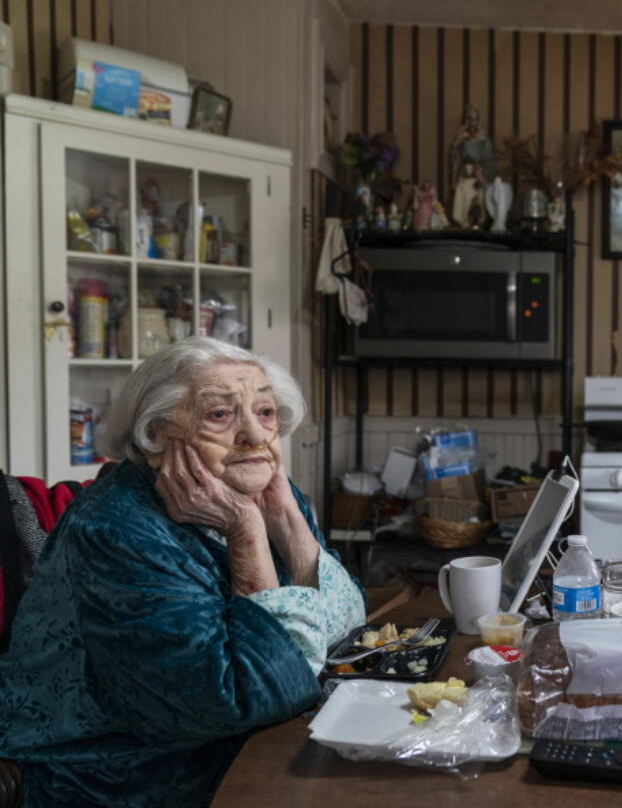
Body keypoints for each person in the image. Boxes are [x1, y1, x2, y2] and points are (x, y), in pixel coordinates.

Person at [0, 338, 366, 808]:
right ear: (155, 435)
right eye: (220, 415)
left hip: (242, 747)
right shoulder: (116, 529)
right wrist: (247, 534)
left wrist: (289, 525)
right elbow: (241, 699)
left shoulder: (259, 489)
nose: (256, 436)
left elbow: (350, 629)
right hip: (122, 774)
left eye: (266, 413)